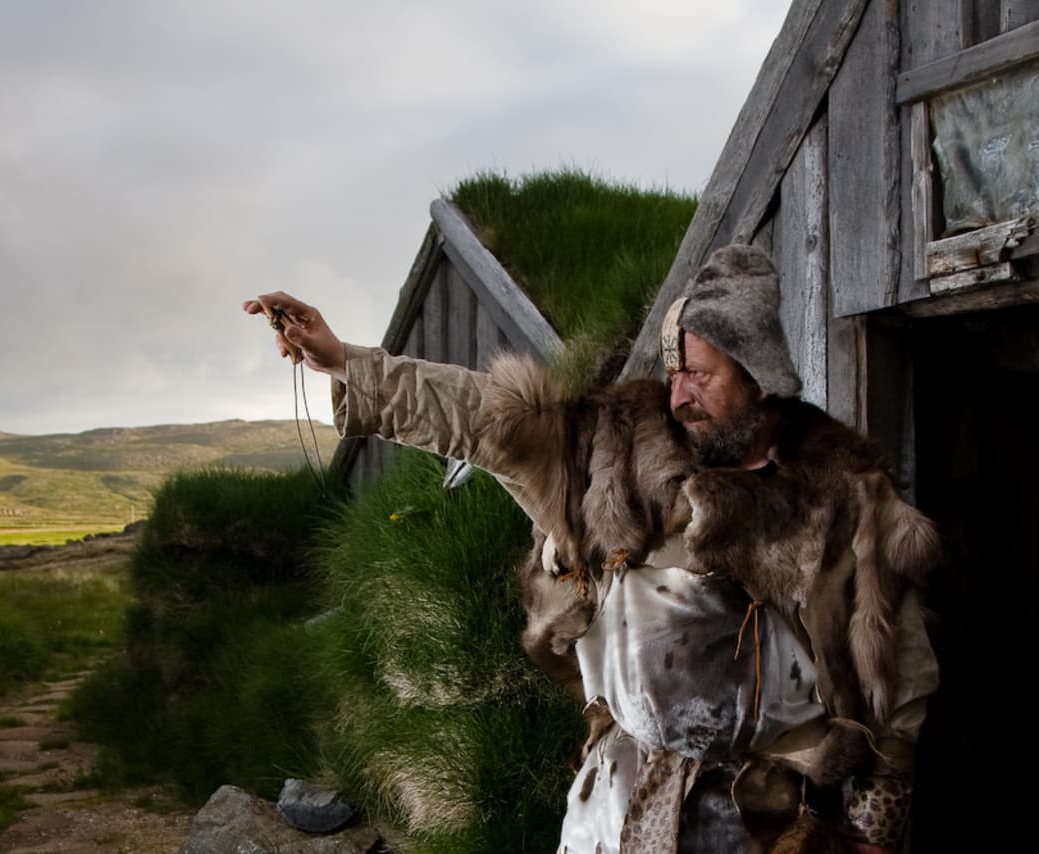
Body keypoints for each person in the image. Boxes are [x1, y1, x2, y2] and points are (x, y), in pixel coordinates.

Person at [244, 243, 939, 853]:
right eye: (674, 375)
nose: (680, 397)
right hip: (621, 802)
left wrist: (874, 835)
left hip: (764, 820)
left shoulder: (839, 499)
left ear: (761, 375)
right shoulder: (611, 449)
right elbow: (473, 413)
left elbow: (899, 686)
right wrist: (345, 363)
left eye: (702, 375)